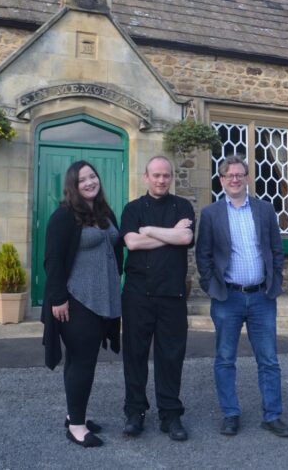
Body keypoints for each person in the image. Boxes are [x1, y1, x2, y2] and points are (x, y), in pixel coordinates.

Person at [195, 155, 288, 438]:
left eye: (240, 174)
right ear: (222, 180)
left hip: (262, 297)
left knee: (269, 360)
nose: (235, 179)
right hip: (228, 297)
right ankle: (230, 413)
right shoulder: (211, 213)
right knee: (225, 358)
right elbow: (204, 255)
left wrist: (274, 279)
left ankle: (272, 415)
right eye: (229, 175)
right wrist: (211, 285)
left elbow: (276, 249)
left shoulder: (264, 209)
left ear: (247, 178)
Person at [41, 160, 124, 448]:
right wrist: (58, 298)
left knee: (79, 360)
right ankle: (76, 426)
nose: (89, 182)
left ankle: (74, 415)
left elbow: (115, 249)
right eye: (82, 180)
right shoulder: (64, 216)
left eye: (92, 176)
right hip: (76, 301)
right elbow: (52, 260)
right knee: (82, 362)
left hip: (102, 299)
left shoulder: (104, 212)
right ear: (73, 187)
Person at [119, 155, 195, 441]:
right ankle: (134, 413)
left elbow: (186, 239)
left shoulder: (183, 206)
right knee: (135, 356)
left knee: (171, 357)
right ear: (146, 177)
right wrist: (170, 234)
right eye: (156, 175)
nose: (161, 180)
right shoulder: (133, 208)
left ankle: (170, 414)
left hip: (172, 295)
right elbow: (131, 242)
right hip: (137, 295)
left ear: (171, 177)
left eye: (166, 175)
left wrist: (150, 231)